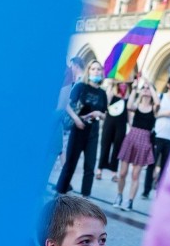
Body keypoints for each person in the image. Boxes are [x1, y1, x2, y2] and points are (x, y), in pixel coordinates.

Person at [55, 61, 108, 197]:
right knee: (70, 163)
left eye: (98, 69)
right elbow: (66, 103)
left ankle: (85, 197)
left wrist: (99, 114)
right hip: (78, 129)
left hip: (93, 131)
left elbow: (105, 114)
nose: (96, 71)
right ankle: (60, 192)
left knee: (90, 167)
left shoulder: (102, 93)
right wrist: (76, 119)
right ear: (88, 71)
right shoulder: (80, 87)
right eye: (93, 69)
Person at [113, 79, 158, 212]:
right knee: (122, 173)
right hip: (131, 137)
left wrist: (150, 85)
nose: (145, 89)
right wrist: (134, 89)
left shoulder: (154, 108)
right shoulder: (137, 106)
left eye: (147, 88)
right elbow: (128, 105)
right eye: (143, 88)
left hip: (144, 140)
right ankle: (119, 196)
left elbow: (158, 102)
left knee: (135, 175)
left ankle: (130, 201)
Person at [143, 74, 170, 198]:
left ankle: (159, 192)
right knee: (152, 163)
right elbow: (155, 114)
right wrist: (166, 113)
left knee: (164, 166)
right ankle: (146, 190)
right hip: (159, 134)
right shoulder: (162, 97)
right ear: (168, 84)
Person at [95, 81, 129, 182]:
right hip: (109, 123)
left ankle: (114, 172)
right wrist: (111, 86)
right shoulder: (112, 94)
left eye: (125, 85)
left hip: (121, 125)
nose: (123, 86)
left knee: (117, 148)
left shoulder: (127, 98)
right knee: (105, 145)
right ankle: (99, 170)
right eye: (121, 84)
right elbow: (107, 102)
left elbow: (130, 111)